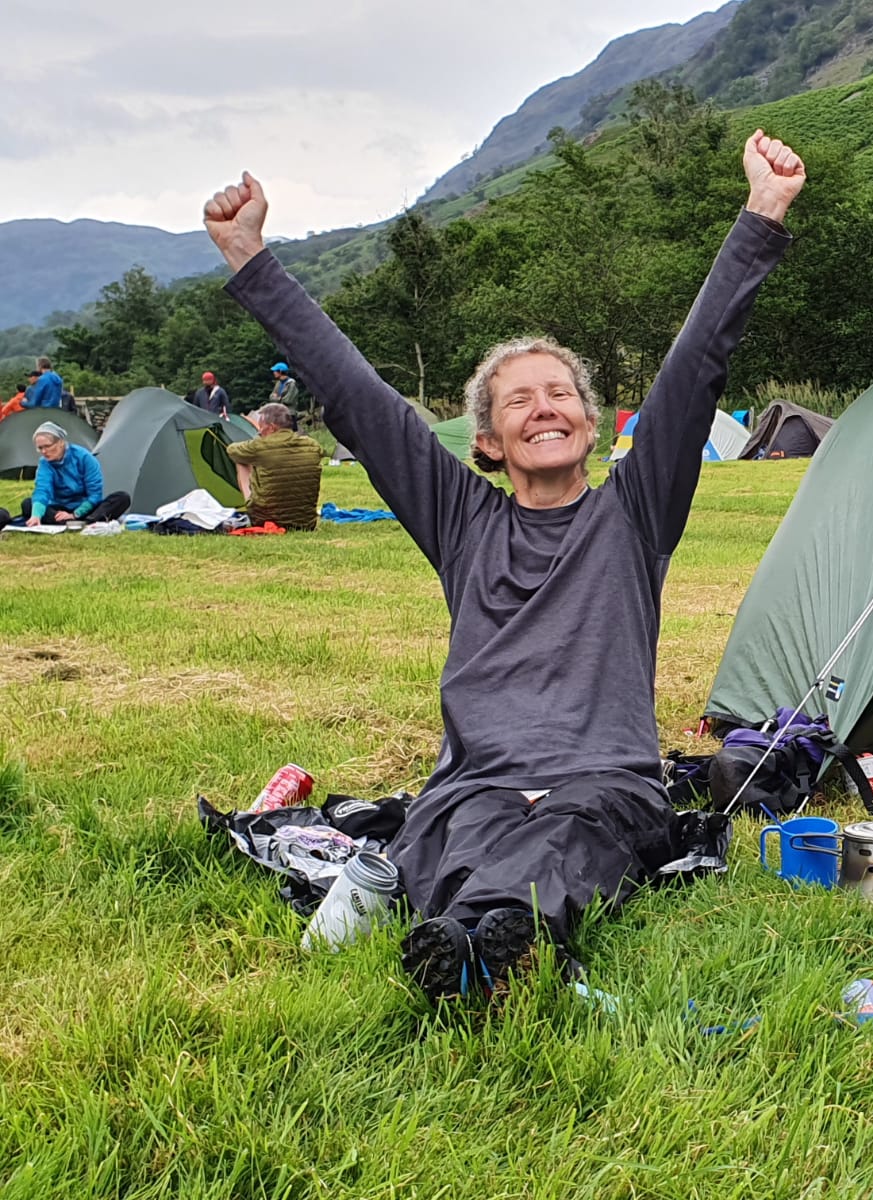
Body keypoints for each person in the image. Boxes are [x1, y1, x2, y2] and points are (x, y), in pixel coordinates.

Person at [204, 129, 805, 1001]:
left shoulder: (634, 514)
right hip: (477, 778)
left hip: (604, 779)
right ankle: (493, 946)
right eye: (518, 400)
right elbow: (356, 397)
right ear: (487, 441)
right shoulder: (462, 521)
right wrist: (249, 256)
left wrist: (762, 212)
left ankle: (479, 942)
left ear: (592, 427)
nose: (544, 407)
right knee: (454, 825)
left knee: (575, 829)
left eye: (561, 393)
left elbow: (695, 368)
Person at [10, 421, 130, 526]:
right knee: (28, 504)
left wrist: (75, 514)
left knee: (122, 498)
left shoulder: (84, 457)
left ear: (60, 442)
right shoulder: (45, 463)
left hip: (85, 507)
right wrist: (36, 515)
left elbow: (95, 495)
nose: (44, 451)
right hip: (58, 508)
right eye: (40, 448)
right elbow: (42, 490)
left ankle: (84, 520)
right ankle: (81, 522)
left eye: (47, 446)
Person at [225, 402, 322, 530]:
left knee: (241, 459)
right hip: (306, 522)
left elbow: (232, 450)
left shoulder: (260, 446)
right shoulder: (313, 445)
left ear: (271, 428)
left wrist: (258, 438)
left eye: (261, 427)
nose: (259, 431)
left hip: (265, 520)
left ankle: (250, 505)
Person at [267, 362, 302, 430]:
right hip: (279, 414)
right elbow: (271, 397)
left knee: (291, 434)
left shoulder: (292, 384)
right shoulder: (278, 383)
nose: (274, 373)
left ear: (280, 371)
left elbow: (288, 400)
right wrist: (280, 398)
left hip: (289, 414)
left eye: (275, 371)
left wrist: (277, 398)